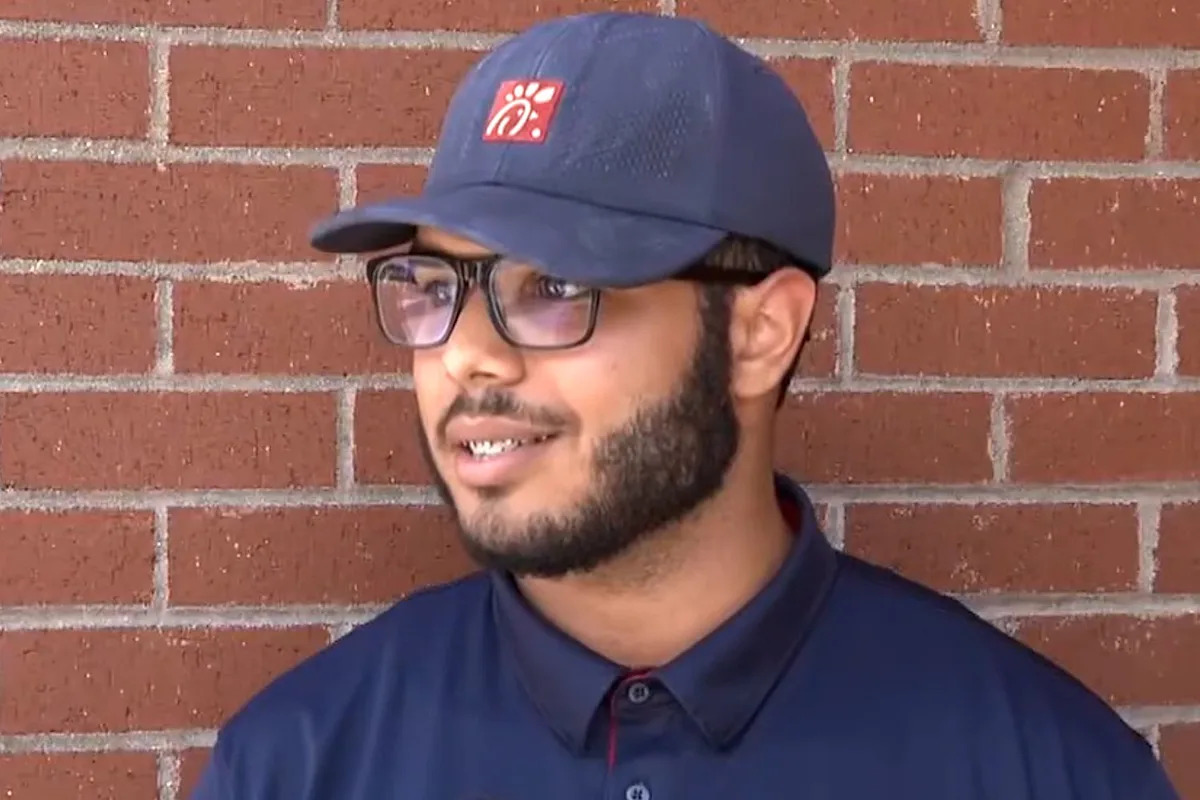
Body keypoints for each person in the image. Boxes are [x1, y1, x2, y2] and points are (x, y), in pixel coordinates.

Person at [190, 11, 1181, 800]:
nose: (466, 355)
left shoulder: (1040, 768)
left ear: (760, 334)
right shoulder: (299, 764)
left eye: (556, 287)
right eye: (436, 286)